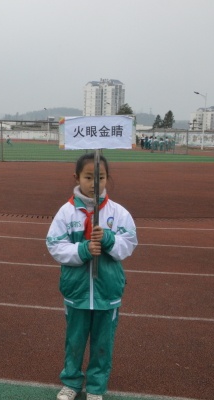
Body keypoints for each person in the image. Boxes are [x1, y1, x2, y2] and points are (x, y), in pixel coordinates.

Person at [46, 153, 138, 400]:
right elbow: (54, 244)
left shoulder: (118, 213)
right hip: (77, 290)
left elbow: (128, 244)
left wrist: (108, 239)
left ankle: (96, 387)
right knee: (74, 341)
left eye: (100, 177)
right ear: (77, 178)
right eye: (89, 177)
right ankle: (72, 382)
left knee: (102, 344)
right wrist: (83, 250)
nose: (94, 183)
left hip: (107, 290)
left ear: (108, 178)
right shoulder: (66, 213)